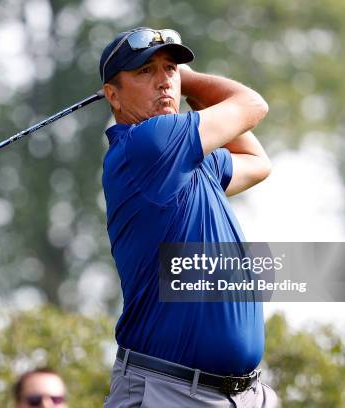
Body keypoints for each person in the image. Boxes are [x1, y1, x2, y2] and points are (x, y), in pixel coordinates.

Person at [99, 27, 278, 407]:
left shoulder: (187, 160)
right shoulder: (149, 145)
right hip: (169, 390)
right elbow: (252, 106)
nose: (163, 80)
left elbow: (259, 164)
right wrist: (190, 80)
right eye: (145, 71)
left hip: (241, 395)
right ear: (112, 95)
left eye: (170, 69)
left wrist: (180, 83)